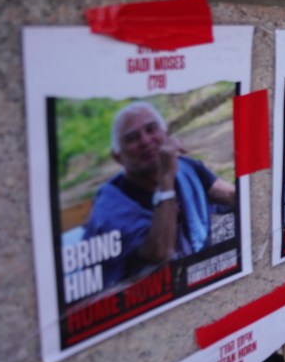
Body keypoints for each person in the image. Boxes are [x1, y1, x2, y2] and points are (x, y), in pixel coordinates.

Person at [82, 101, 236, 287]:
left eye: (151, 129)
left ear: (166, 135)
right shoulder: (109, 206)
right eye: (132, 138)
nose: (145, 141)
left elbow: (231, 196)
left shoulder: (187, 167)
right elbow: (160, 252)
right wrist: (165, 178)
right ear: (118, 157)